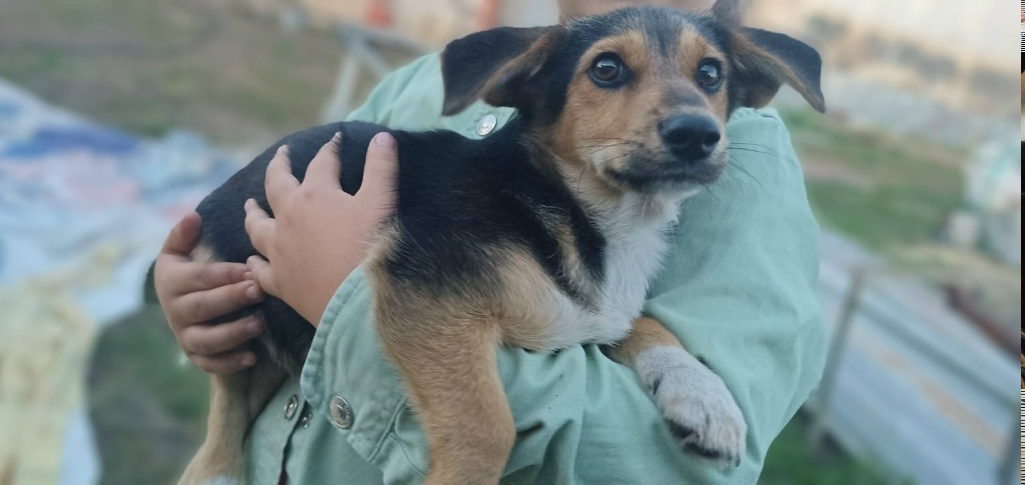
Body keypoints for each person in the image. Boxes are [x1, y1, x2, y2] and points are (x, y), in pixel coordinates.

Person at [151, 0, 828, 483]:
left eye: (708, 76)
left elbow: (672, 459)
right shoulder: (425, 90)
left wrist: (341, 294)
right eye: (610, 71)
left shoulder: (753, 177)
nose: (687, 115)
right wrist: (193, 291)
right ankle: (219, 442)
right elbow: (303, 229)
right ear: (529, 89)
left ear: (742, 92)